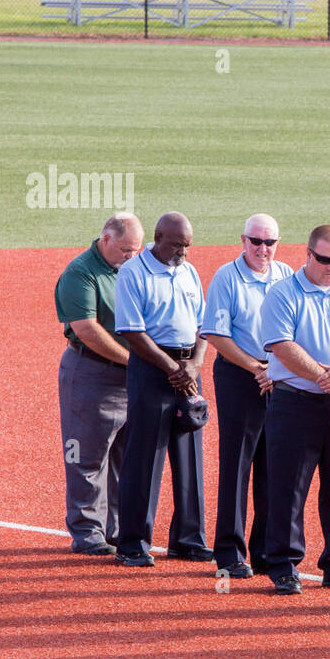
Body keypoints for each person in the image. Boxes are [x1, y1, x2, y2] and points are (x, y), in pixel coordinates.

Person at [259, 225, 330, 594]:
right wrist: (327, 377)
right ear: (308, 254)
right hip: (295, 402)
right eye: (325, 259)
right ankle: (283, 563)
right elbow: (282, 346)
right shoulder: (284, 293)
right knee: (288, 488)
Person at [113, 212, 211, 567]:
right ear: (157, 237)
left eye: (187, 245)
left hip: (188, 369)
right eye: (176, 244)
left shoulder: (189, 271)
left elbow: (204, 323)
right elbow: (132, 331)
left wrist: (195, 365)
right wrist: (173, 369)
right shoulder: (132, 274)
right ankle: (133, 544)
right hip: (153, 371)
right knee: (144, 458)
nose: (183, 251)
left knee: (190, 457)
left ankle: (188, 539)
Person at [199, 213, 294, 578]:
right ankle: (229, 551)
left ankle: (266, 551)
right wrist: (258, 368)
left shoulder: (287, 276)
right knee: (237, 463)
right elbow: (217, 334)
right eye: (256, 241)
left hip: (280, 379)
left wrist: (278, 369)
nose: (263, 249)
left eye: (270, 242)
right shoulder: (227, 277)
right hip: (240, 376)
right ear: (243, 240)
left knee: (274, 465)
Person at [55, 212, 144, 555]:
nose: (130, 256)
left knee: (124, 454)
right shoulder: (81, 272)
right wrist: (134, 360)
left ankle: (116, 527)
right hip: (91, 372)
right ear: (105, 238)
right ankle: (87, 530)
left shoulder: (130, 268)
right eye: (124, 249)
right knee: (86, 455)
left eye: (135, 250)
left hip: (127, 375)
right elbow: (87, 330)